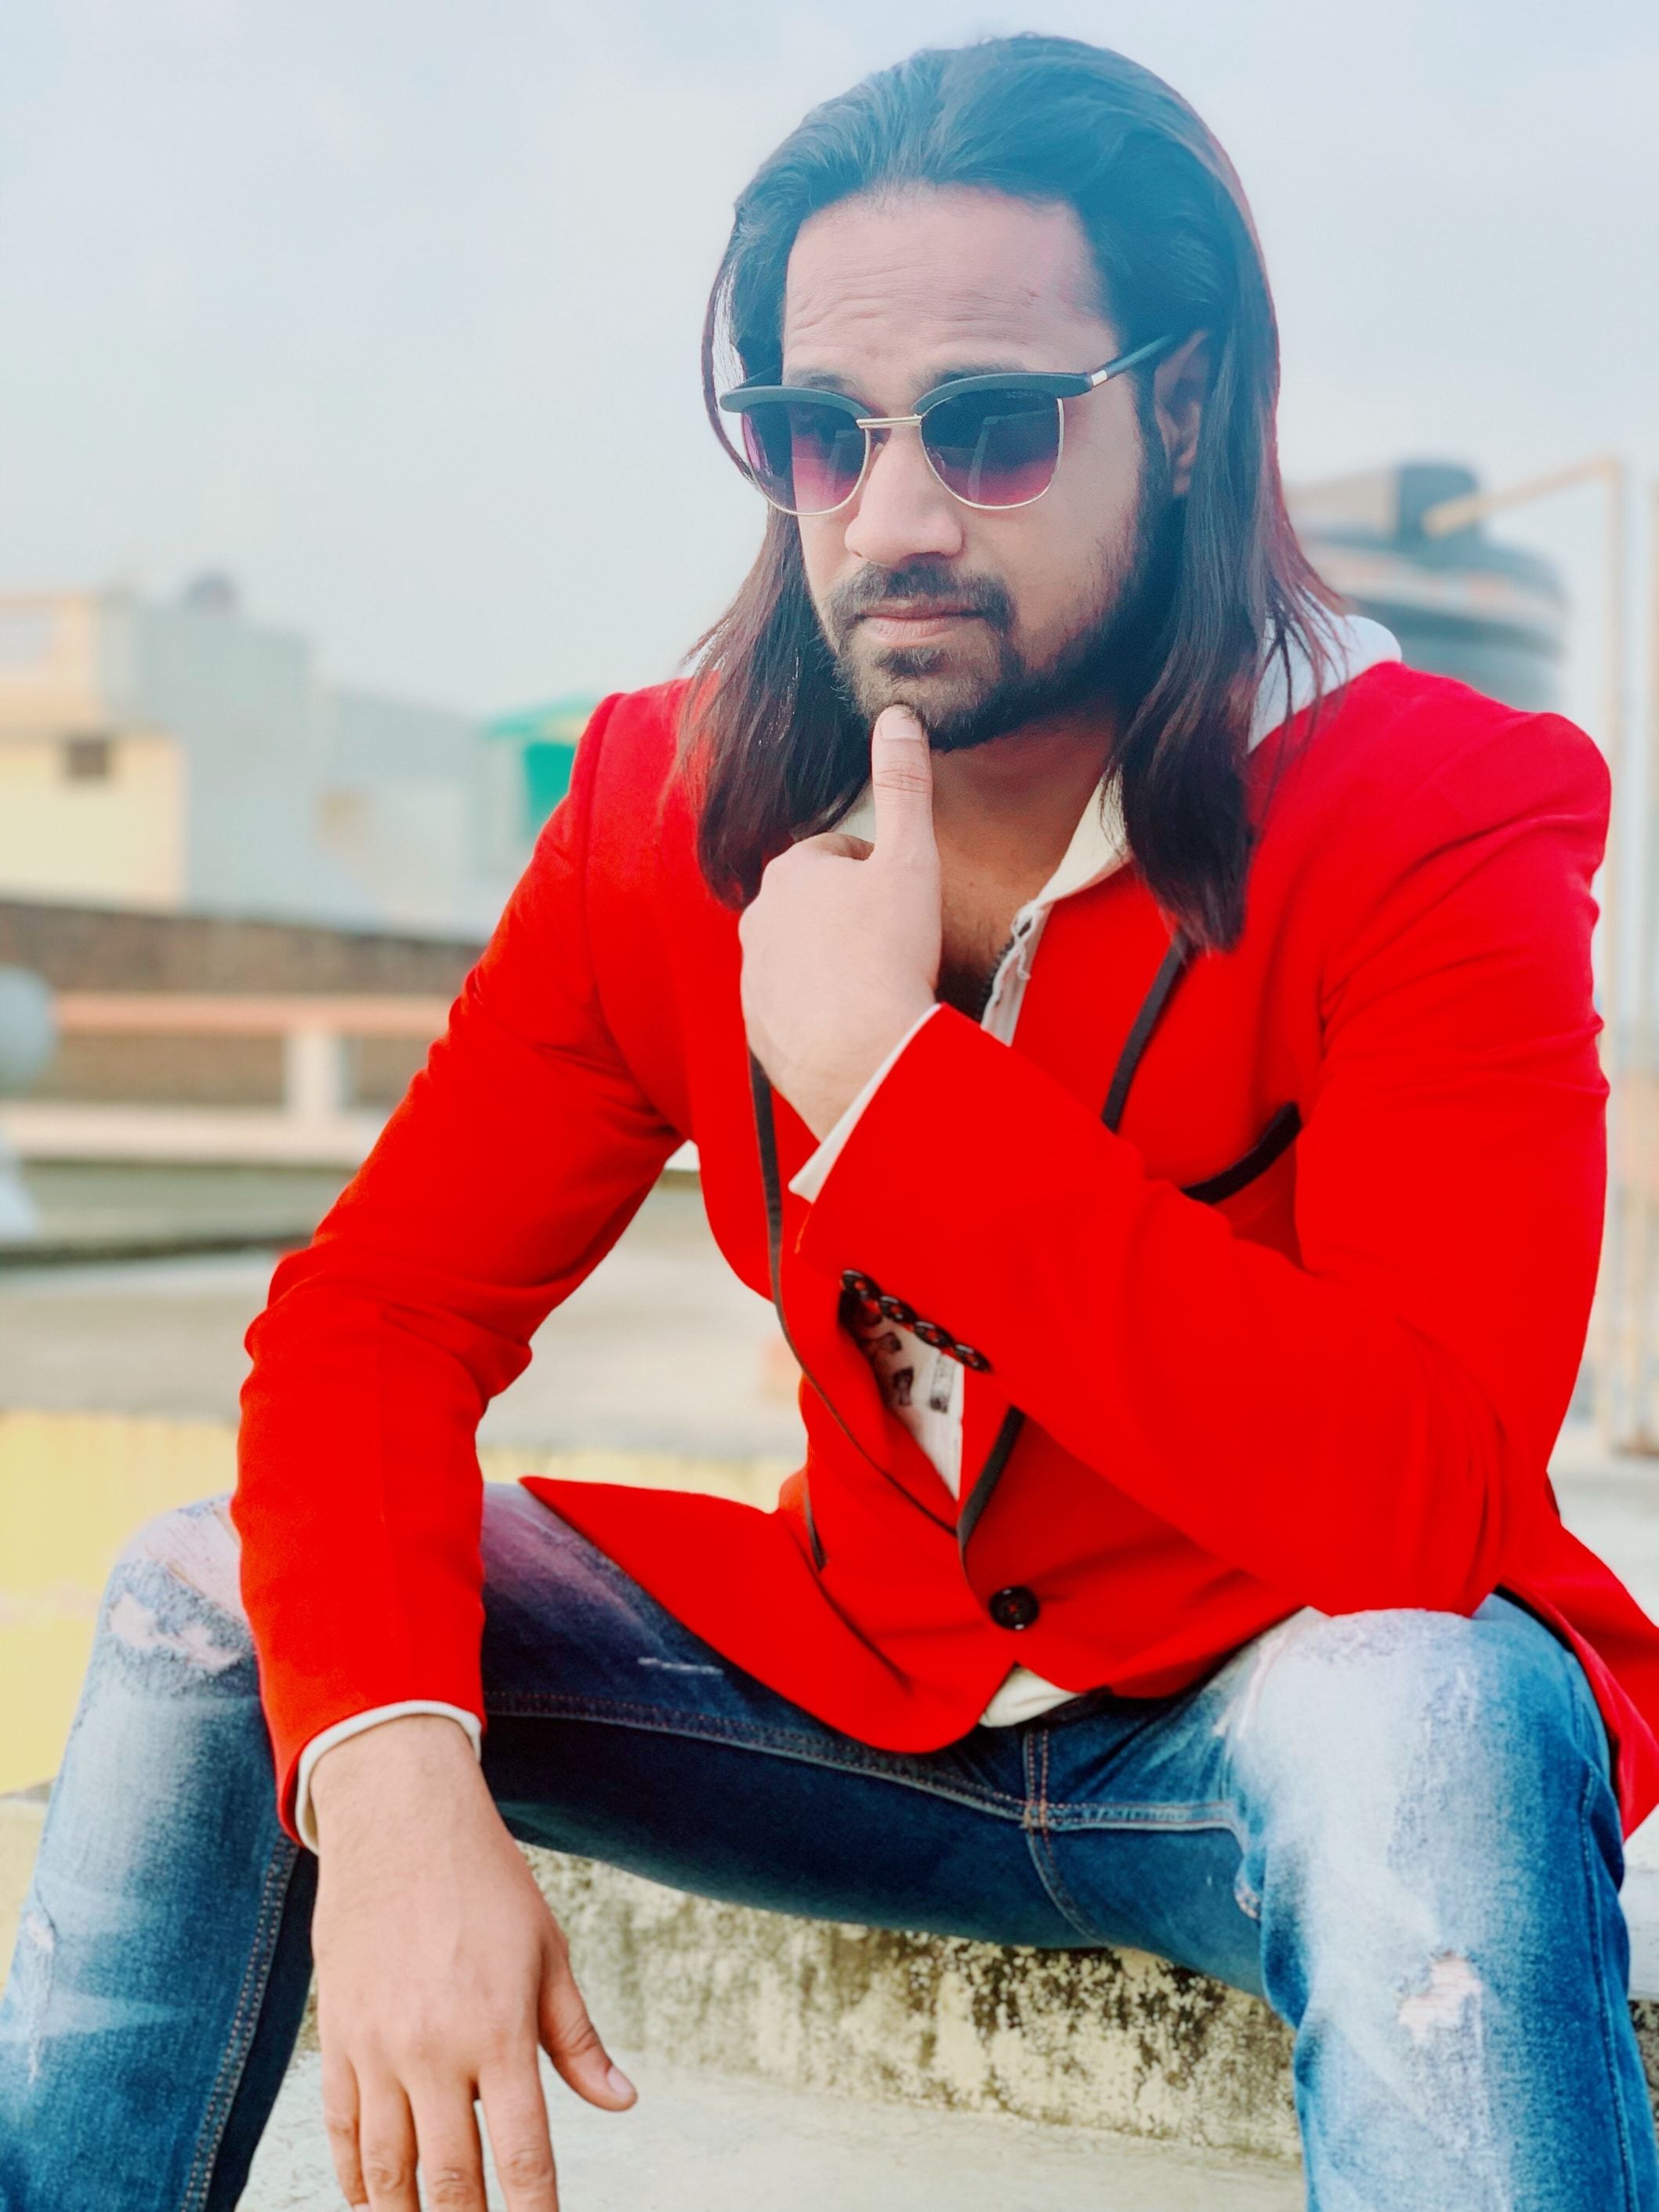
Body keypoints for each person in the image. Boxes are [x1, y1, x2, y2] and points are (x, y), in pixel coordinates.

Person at [4, 32, 1658, 2211]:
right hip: (851, 1691)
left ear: (1180, 407)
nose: (888, 520)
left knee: (1441, 1711)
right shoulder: (661, 808)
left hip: (1276, 1718)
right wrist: (392, 1789)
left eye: (990, 427)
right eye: (817, 432)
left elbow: (1431, 1507)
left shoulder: (1434, 806)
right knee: (211, 1601)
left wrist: (894, 1090)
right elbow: (372, 1322)